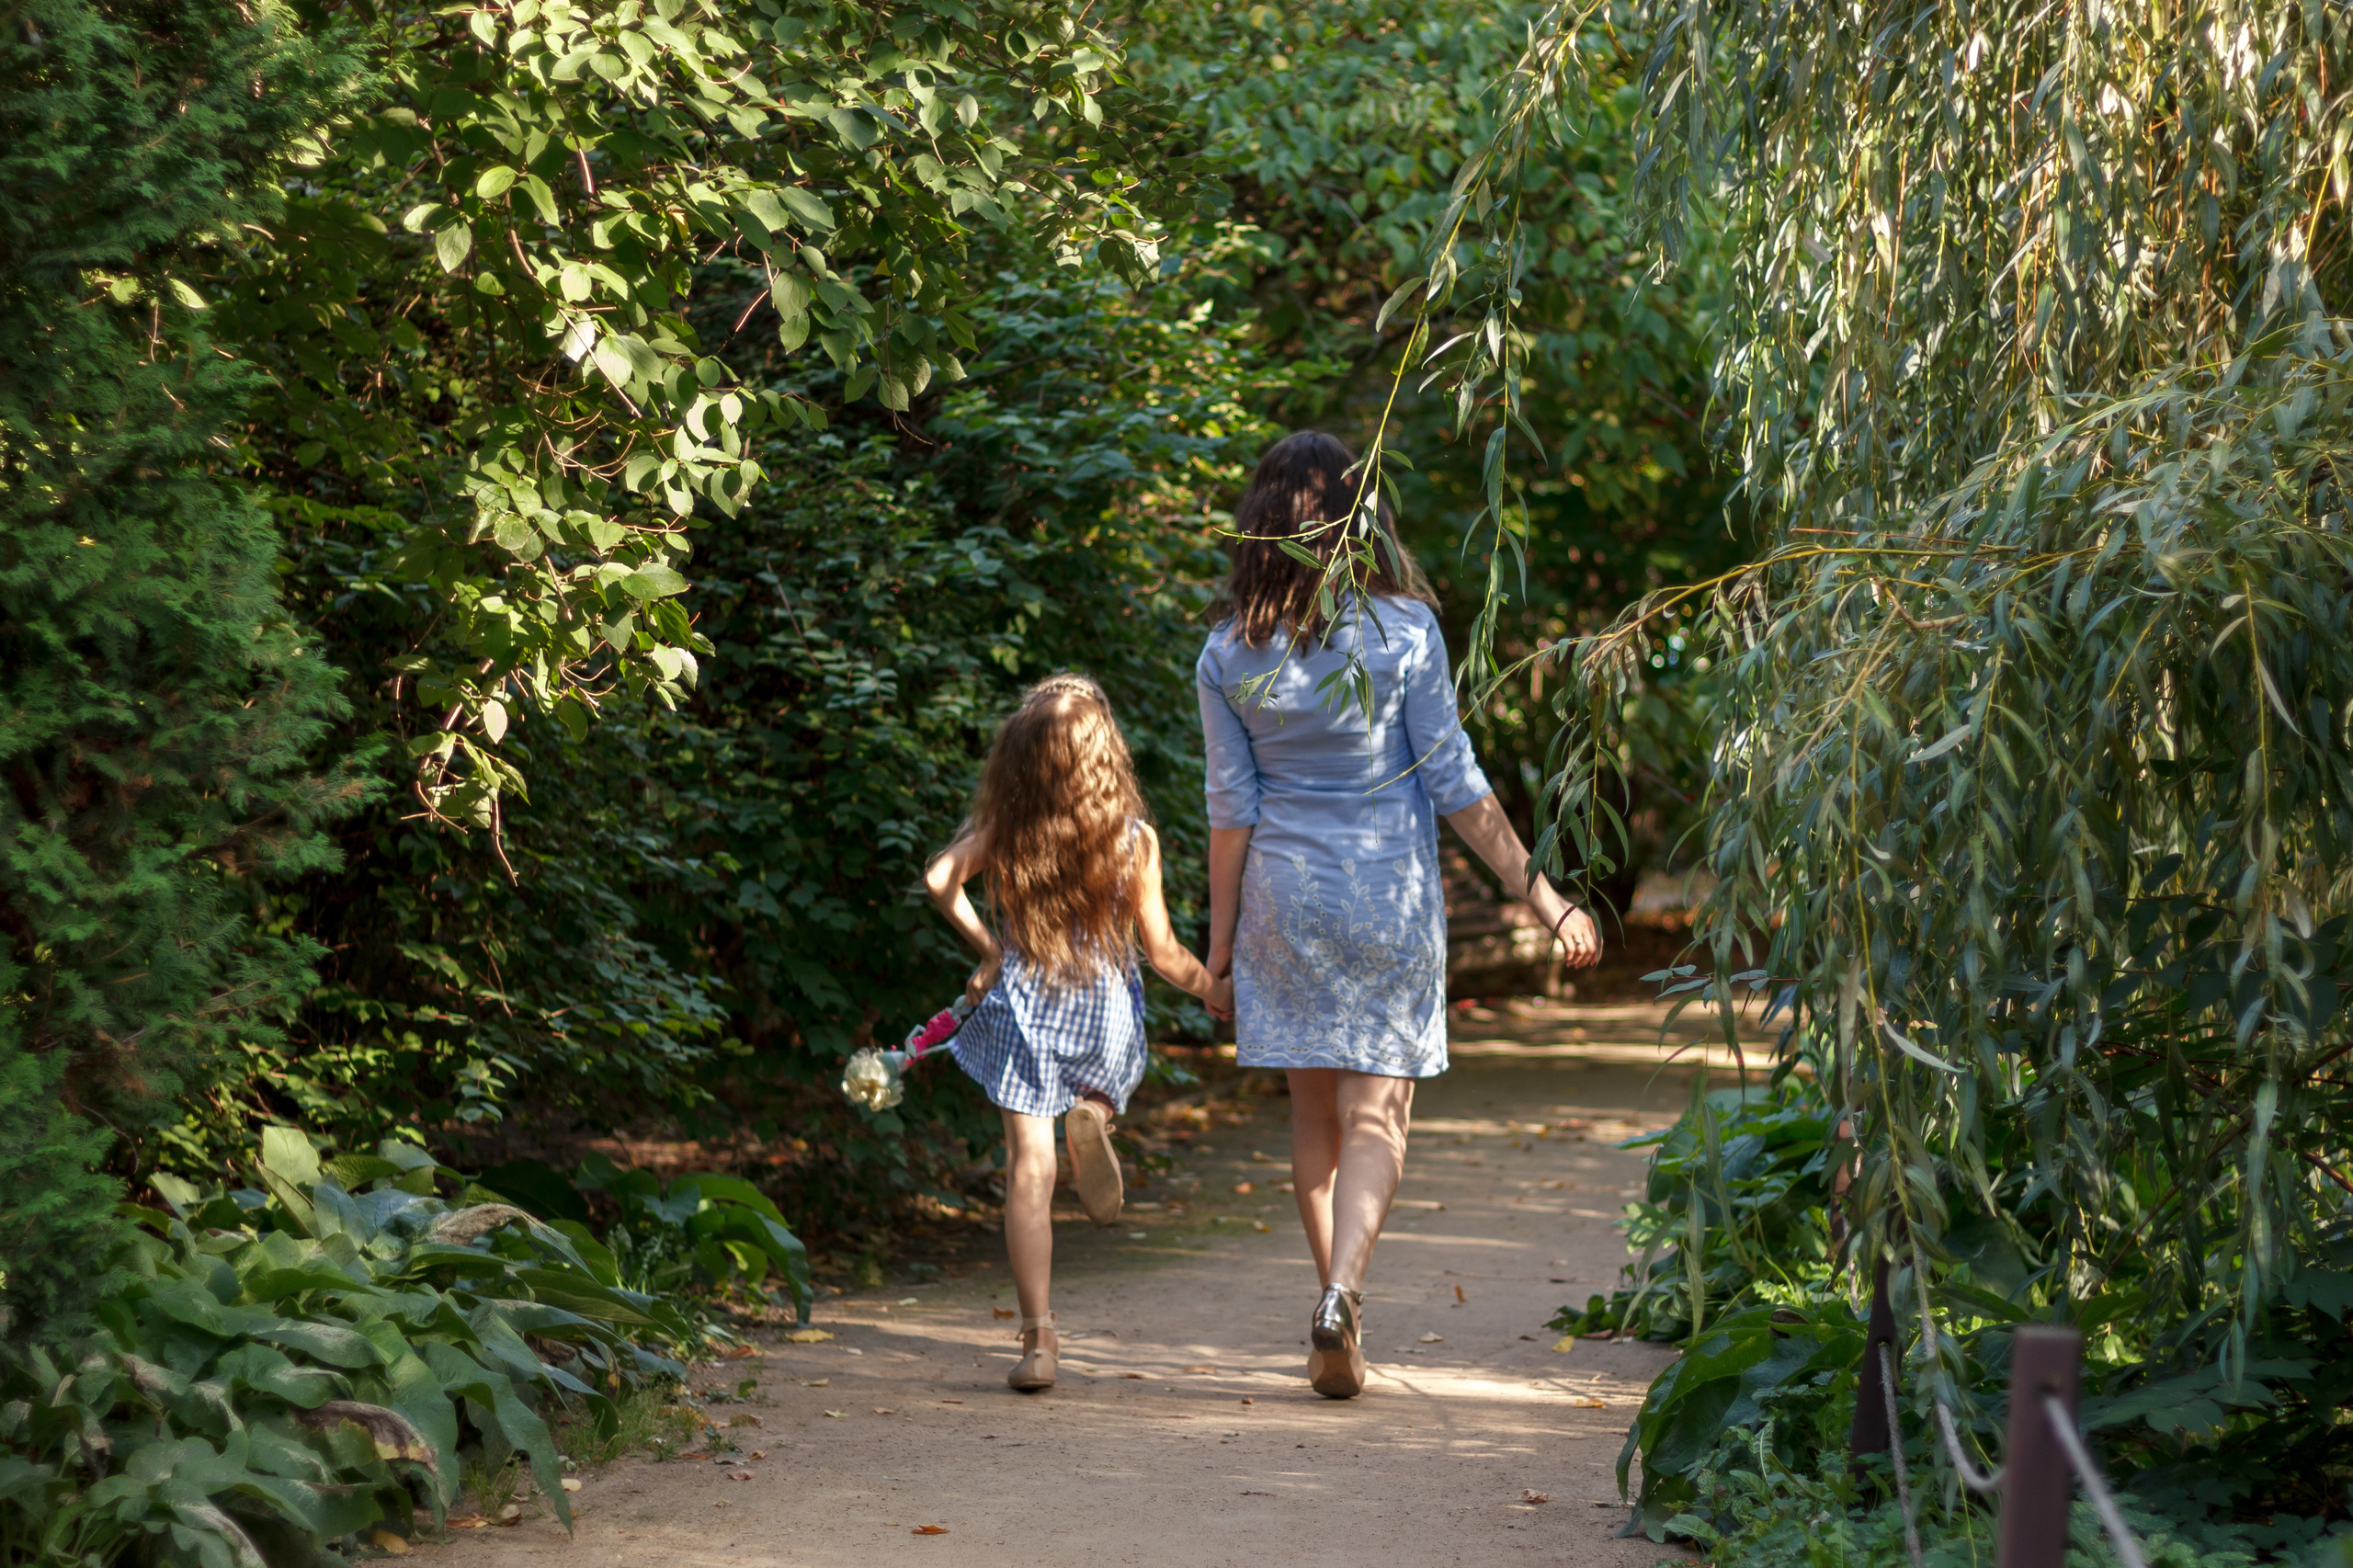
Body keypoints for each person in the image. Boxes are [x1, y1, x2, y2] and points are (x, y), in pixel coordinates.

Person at [1197, 431, 1602, 1400]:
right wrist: (1546, 898)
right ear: (1360, 521)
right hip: (1387, 898)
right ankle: (1342, 1292)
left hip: (1285, 903)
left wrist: (1218, 951)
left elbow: (1230, 812)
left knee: (1313, 1116)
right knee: (1376, 1112)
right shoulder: (1404, 631)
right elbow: (1457, 784)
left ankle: (1335, 1310)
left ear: (1261, 526)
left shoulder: (1228, 652)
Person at [925, 673, 1233, 1393]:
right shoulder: (1134, 840)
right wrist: (1214, 991)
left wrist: (991, 952)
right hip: (1104, 1014)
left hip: (1027, 1013)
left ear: (1022, 758)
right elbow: (1163, 952)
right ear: (1106, 759)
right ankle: (1096, 1112)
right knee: (1101, 1088)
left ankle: (1038, 1341)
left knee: (1029, 1169)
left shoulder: (1011, 829)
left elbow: (941, 877)